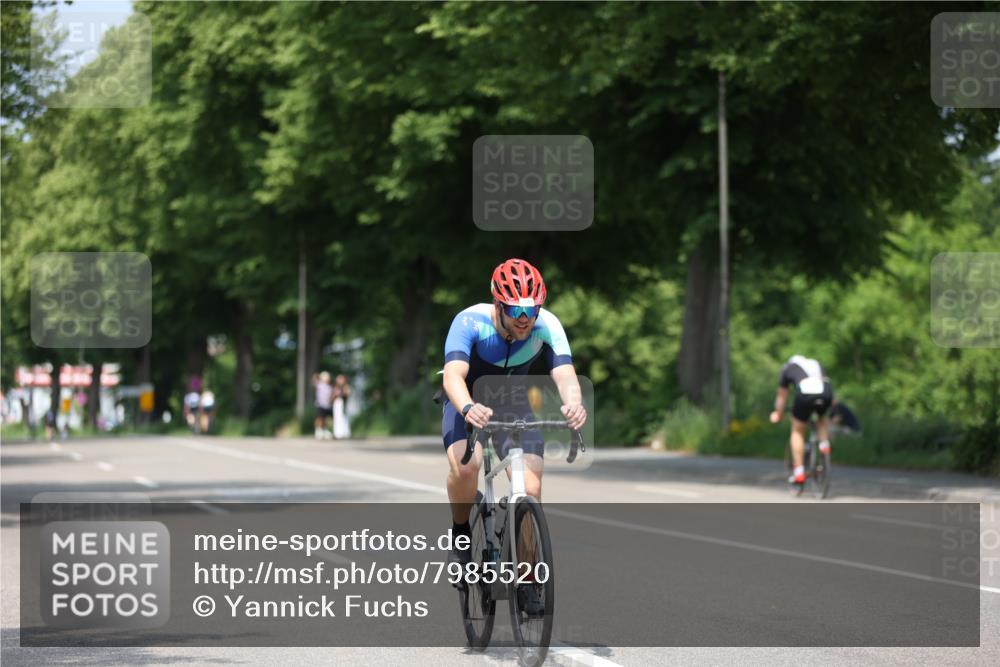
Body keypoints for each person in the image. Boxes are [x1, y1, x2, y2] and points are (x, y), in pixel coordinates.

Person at [441, 259, 587, 612]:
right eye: (516, 309)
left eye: (532, 309)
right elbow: (453, 376)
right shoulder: (469, 321)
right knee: (465, 467)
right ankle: (461, 534)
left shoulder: (547, 324)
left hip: (513, 404)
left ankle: (527, 578)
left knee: (530, 489)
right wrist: (467, 408)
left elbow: (565, 374)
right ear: (498, 304)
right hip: (468, 399)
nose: (525, 318)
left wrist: (573, 404)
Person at [769, 354, 835, 485]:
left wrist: (778, 413)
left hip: (806, 392)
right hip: (826, 392)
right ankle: (824, 445)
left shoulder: (788, 368)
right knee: (821, 419)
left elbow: (782, 394)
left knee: (798, 430)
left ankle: (799, 472)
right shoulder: (816, 363)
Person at [313, 372, 334, 440]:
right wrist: (319, 376)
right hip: (321, 404)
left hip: (328, 405)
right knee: (320, 418)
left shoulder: (330, 387)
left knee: (325, 419)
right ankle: (318, 431)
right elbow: (314, 378)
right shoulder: (320, 384)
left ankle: (324, 430)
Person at [332, 374, 352, 439]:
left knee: (344, 418)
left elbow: (348, 394)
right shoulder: (336, 387)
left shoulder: (346, 387)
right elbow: (332, 396)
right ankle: (338, 433)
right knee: (337, 418)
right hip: (337, 404)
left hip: (343, 403)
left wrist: (342, 393)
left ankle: (345, 433)